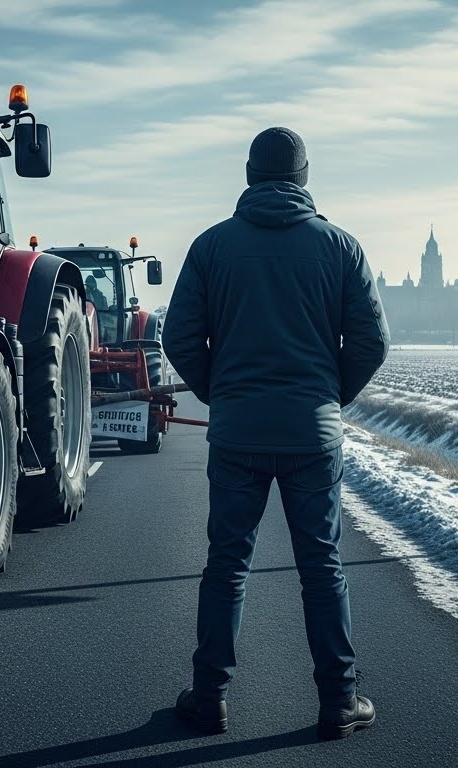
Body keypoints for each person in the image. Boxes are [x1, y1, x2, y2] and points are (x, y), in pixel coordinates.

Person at [162, 126, 390, 741]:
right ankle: (339, 701)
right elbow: (371, 342)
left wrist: (221, 393)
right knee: (322, 566)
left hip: (237, 433)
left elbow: (178, 336)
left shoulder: (211, 246)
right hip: (312, 437)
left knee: (226, 566)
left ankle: (209, 698)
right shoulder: (340, 247)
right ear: (304, 178)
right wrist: (327, 398)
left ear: (248, 175)